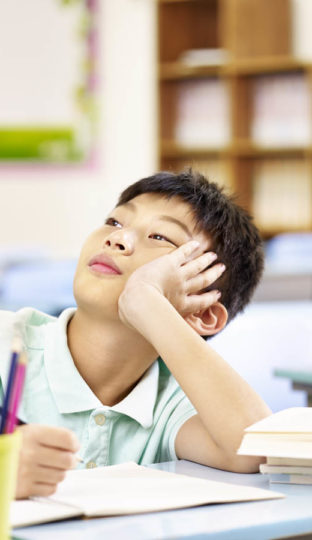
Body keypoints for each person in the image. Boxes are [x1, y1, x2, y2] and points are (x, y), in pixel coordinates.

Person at [0, 169, 271, 499]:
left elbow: (255, 447)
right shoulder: (8, 343)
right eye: (115, 222)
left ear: (202, 312)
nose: (117, 239)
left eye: (160, 237)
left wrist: (146, 300)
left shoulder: (173, 402)